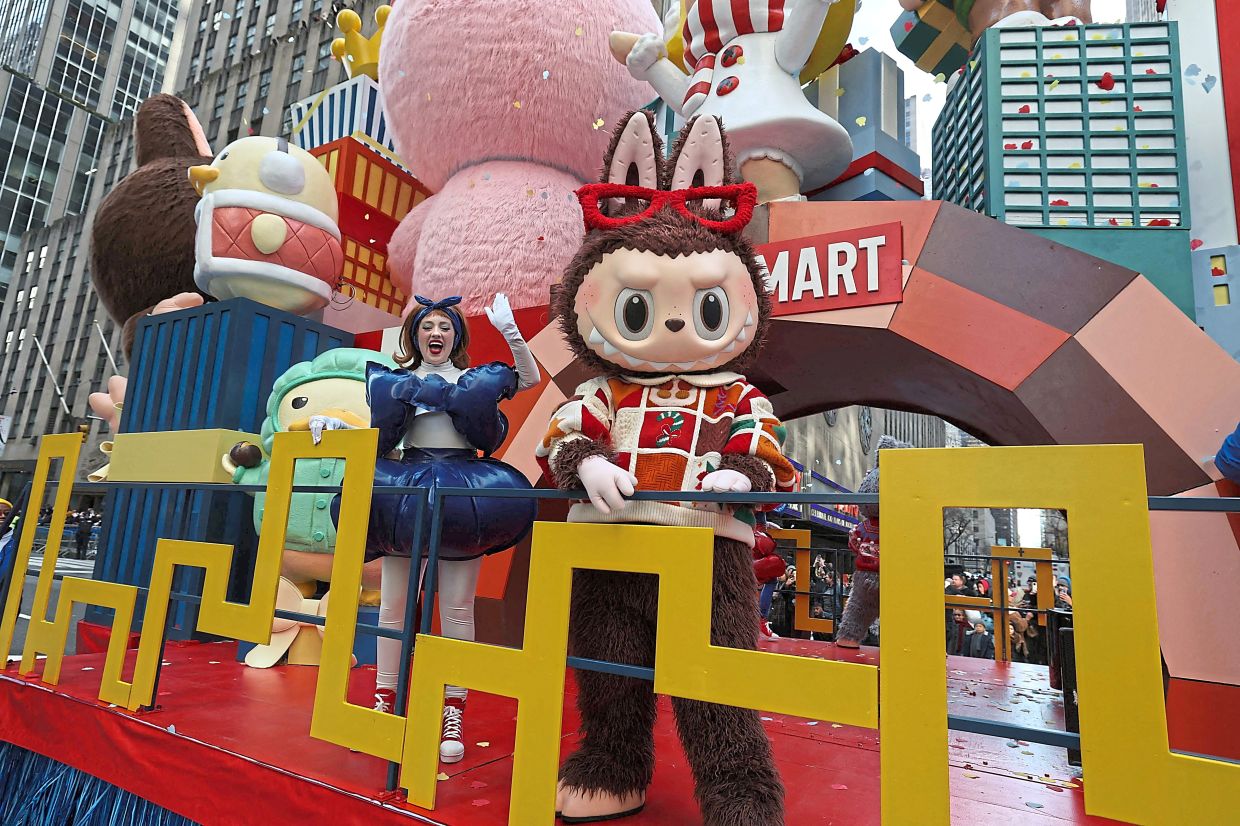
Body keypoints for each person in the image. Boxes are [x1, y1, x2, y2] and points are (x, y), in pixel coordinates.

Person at [321, 293, 540, 765]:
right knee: (394, 606)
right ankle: (386, 700)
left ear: (456, 336)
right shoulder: (394, 380)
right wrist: (335, 425)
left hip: (463, 492)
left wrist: (510, 332)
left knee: (458, 608)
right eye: (428, 325)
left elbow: (529, 377)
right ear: (414, 334)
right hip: (405, 489)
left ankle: (452, 708)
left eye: (444, 325)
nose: (436, 333)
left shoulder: (471, 379)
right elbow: (379, 431)